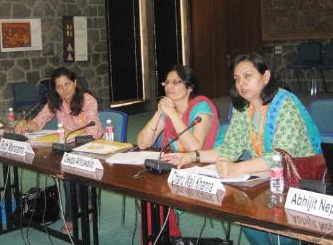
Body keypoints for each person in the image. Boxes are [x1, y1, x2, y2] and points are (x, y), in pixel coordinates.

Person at [162, 53, 322, 245]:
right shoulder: (242, 108)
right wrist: (193, 156)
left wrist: (238, 168)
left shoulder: (285, 104)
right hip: (265, 178)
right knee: (244, 213)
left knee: (280, 233)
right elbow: (229, 149)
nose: (241, 83)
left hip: (299, 182)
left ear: (265, 77)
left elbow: (280, 157)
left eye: (248, 76)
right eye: (237, 78)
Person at [136, 65, 222, 239]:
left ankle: (169, 237)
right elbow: (143, 143)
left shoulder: (201, 107)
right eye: (167, 82)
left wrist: (173, 115)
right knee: (145, 188)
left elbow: (195, 149)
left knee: (159, 193)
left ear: (190, 87)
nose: (169, 87)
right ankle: (159, 238)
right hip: (180, 165)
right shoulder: (168, 108)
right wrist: (158, 113)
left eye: (176, 82)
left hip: (206, 166)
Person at [15, 67, 103, 233]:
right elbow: (39, 121)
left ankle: (72, 216)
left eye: (67, 84)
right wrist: (26, 125)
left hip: (91, 146)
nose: (64, 90)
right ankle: (87, 204)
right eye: (59, 87)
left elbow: (92, 132)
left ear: (75, 83)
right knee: (64, 170)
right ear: (55, 89)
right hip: (67, 147)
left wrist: (70, 139)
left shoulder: (87, 100)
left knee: (68, 174)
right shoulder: (55, 102)